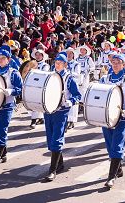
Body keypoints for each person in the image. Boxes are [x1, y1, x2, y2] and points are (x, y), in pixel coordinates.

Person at [99, 54, 125, 188]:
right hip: (107, 117)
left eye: (118, 62)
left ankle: (111, 177)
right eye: (113, 62)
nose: (115, 64)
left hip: (121, 118)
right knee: (110, 145)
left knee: (117, 145)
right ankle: (119, 169)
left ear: (123, 65)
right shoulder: (105, 79)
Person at [43, 53, 81, 182]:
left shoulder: (69, 78)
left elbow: (77, 95)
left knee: (57, 138)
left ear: (65, 64)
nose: (57, 64)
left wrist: (71, 101)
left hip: (61, 111)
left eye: (60, 62)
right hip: (48, 110)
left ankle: (52, 169)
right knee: (51, 137)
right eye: (56, 62)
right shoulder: (49, 75)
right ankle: (60, 164)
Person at [0, 45, 23, 171]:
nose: (0, 60)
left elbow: (20, 89)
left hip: (6, 106)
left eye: (3, 58)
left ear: (8, 59)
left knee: (1, 131)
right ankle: (4, 154)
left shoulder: (13, 73)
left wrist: (11, 91)